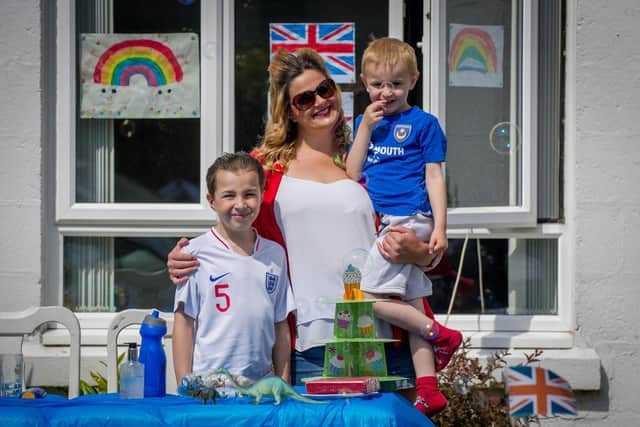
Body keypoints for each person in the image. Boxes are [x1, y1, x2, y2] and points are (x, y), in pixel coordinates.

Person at [167, 47, 449, 417]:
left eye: (326, 89)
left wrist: (419, 251)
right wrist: (186, 258)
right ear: (290, 111)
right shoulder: (266, 169)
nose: (320, 101)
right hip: (310, 346)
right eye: (305, 97)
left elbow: (418, 239)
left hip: (384, 338)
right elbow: (234, 231)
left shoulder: (368, 157)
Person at [345, 37, 462, 416]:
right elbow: (352, 171)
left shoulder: (424, 124)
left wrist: (440, 228)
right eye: (378, 84)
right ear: (364, 82)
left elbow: (434, 177)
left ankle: (440, 335)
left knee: (368, 298)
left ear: (413, 80)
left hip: (409, 220)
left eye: (396, 83)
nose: (386, 92)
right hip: (389, 223)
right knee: (412, 305)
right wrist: (365, 129)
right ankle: (429, 388)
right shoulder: (366, 122)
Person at [172, 152, 293, 385]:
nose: (240, 204)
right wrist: (184, 384)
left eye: (249, 194)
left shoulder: (275, 254)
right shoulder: (193, 254)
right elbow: (184, 323)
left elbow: (280, 324)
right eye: (229, 195)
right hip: (209, 388)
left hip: (262, 387)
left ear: (261, 194)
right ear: (212, 201)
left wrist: (283, 380)